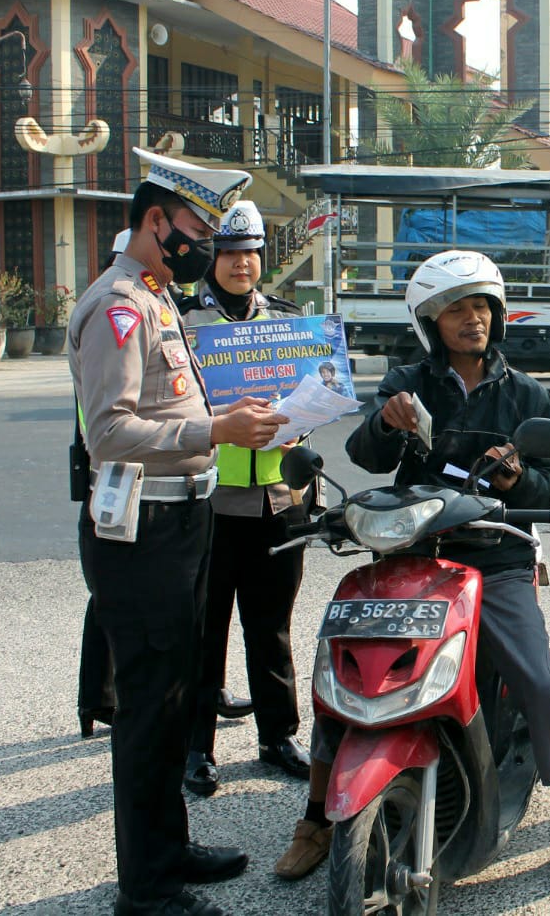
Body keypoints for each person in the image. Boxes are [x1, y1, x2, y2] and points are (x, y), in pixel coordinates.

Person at [274, 251, 550, 897]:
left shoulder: (526, 392)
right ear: (431, 320)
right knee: (344, 672)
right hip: (413, 553)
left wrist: (516, 477)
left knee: (539, 682)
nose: (473, 319)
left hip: (494, 552)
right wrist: (386, 420)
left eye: (482, 306)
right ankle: (316, 817)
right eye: (458, 308)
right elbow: (366, 455)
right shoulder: (407, 380)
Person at [70, 148, 288, 916]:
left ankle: (171, 847)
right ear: (157, 221)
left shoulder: (159, 297)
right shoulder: (119, 305)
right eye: (198, 229)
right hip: (144, 529)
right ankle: (149, 888)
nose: (206, 244)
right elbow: (109, 432)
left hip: (181, 522)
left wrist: (240, 424)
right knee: (148, 709)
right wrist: (216, 428)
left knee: (172, 697)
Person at [180, 201, 313, 796]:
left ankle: (277, 736)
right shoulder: (185, 324)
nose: (243, 264)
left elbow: (313, 392)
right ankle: (194, 747)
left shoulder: (286, 321)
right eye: (232, 253)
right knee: (203, 628)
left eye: (252, 253)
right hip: (212, 497)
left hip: (280, 498)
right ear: (213, 258)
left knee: (272, 624)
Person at [78, 227, 134, 738]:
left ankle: (97, 701)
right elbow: (108, 427)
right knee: (109, 604)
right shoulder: (111, 311)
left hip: (110, 483)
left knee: (106, 604)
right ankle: (99, 701)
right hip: (116, 486)